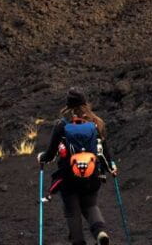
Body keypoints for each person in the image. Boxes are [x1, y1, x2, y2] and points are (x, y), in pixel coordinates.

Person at [38, 88, 118, 245]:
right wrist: (111, 167)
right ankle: (100, 232)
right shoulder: (96, 124)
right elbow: (104, 152)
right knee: (91, 206)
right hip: (92, 175)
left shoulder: (62, 125)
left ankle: (78, 242)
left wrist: (42, 158)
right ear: (85, 103)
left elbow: (50, 154)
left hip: (69, 177)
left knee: (72, 211)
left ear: (68, 106)